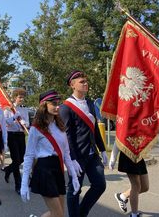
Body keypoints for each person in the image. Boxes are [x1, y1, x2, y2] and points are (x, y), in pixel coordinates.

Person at [20, 89, 80, 217]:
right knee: (58, 214)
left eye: (58, 102)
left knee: (59, 213)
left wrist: (73, 176)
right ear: (44, 105)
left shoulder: (60, 126)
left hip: (58, 169)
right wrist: (24, 183)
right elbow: (29, 155)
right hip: (44, 170)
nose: (57, 106)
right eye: (53, 103)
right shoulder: (36, 129)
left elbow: (66, 154)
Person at [59, 70, 108, 217]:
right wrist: (71, 159)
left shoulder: (90, 103)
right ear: (72, 85)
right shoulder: (66, 107)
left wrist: (103, 150)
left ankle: (81, 213)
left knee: (100, 185)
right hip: (77, 156)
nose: (85, 83)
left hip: (92, 153)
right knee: (74, 189)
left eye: (86, 81)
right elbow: (67, 136)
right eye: (82, 82)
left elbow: (94, 129)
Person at [109, 142, 148, 217]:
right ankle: (134, 214)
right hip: (127, 154)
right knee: (136, 186)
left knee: (145, 187)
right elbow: (119, 137)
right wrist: (113, 158)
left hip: (139, 155)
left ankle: (122, 196)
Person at [4, 88, 30, 195]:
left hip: (20, 134)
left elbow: (27, 122)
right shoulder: (8, 109)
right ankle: (18, 185)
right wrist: (14, 118)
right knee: (16, 159)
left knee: (22, 158)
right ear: (15, 97)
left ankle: (8, 169)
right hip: (11, 134)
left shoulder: (24, 109)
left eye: (23, 97)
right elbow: (5, 122)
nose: (21, 99)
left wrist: (25, 123)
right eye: (19, 97)